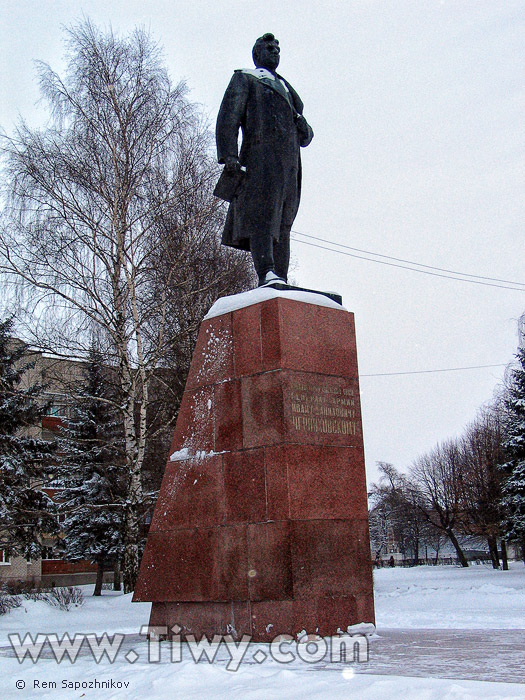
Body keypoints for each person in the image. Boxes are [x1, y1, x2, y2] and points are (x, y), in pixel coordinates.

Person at [215, 33, 313, 286]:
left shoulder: (288, 90)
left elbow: (306, 137)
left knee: (284, 220)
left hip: (290, 165)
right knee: (263, 216)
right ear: (257, 54)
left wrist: (302, 124)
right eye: (269, 48)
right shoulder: (246, 78)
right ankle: (266, 272)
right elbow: (228, 118)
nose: (275, 52)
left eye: (277, 49)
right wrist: (230, 156)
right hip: (260, 159)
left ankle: (280, 275)